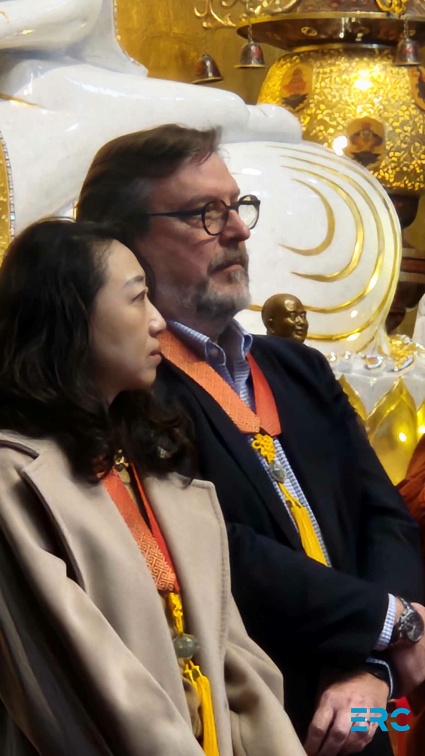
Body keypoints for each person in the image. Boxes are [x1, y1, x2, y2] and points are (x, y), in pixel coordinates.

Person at [76, 124, 425, 756]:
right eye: (204, 214)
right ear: (124, 242)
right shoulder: (123, 385)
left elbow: (384, 514)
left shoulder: (298, 367)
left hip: (360, 711)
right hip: (242, 712)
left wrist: (373, 668)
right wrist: (388, 621)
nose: (237, 229)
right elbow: (210, 548)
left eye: (237, 206)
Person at [0, 217, 306, 756]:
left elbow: (238, 666)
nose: (159, 321)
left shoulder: (151, 467)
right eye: (138, 298)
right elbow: (79, 693)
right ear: (70, 316)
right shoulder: (14, 480)